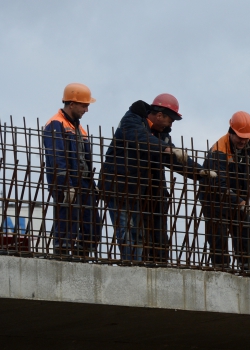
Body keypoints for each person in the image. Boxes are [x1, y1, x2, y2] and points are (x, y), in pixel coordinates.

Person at [100, 94, 215, 263]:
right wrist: (167, 149)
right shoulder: (132, 120)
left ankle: (144, 267)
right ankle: (132, 268)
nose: (171, 124)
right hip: (119, 188)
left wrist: (200, 173)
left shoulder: (161, 135)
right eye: (171, 120)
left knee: (144, 235)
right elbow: (140, 139)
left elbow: (174, 160)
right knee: (128, 233)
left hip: (142, 193)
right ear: (160, 115)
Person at [201, 111, 250, 271]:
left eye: (246, 137)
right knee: (218, 235)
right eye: (240, 137)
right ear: (231, 131)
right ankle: (221, 268)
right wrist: (241, 202)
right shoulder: (219, 150)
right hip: (214, 199)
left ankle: (249, 267)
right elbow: (219, 185)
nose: (243, 141)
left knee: (244, 233)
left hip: (239, 197)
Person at [43, 83, 102, 258]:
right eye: (84, 105)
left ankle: (80, 257)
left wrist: (91, 184)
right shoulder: (55, 124)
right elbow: (57, 158)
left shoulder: (79, 128)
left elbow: (85, 160)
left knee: (93, 227)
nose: (86, 110)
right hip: (67, 182)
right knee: (66, 225)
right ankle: (61, 258)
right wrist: (64, 186)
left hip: (83, 182)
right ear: (72, 104)